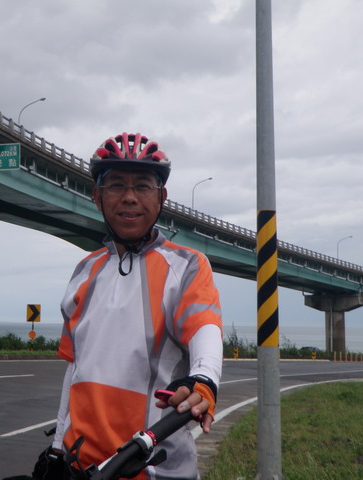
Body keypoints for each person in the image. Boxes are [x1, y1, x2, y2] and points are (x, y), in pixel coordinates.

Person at [48, 132, 223, 480]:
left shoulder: (187, 266)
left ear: (161, 198)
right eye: (116, 185)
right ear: (97, 196)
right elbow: (74, 370)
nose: (129, 197)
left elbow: (204, 326)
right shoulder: (84, 271)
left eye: (143, 186)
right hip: (81, 468)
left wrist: (204, 379)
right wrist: (55, 450)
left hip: (156, 469)